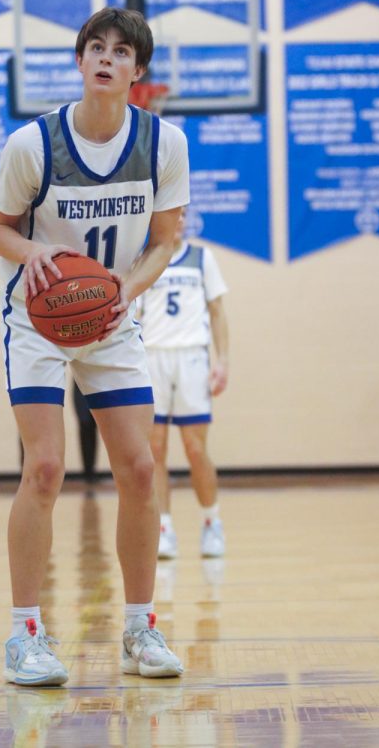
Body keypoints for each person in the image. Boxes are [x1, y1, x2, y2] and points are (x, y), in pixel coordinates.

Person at [0, 6, 190, 687]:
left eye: (121, 50)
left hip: (112, 318)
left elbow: (166, 239)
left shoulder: (163, 144)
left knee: (137, 468)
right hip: (37, 321)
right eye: (94, 47)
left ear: (138, 71)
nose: (106, 57)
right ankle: (25, 636)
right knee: (44, 469)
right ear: (80, 62)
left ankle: (139, 628)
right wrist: (34, 248)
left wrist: (125, 291)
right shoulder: (32, 147)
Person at [137, 210, 229, 559]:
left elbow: (218, 311)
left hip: (191, 358)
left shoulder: (203, 258)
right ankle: (164, 528)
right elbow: (135, 314)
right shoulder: (144, 259)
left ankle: (211, 523)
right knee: (155, 449)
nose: (179, 220)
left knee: (194, 448)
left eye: (183, 215)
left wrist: (223, 361)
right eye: (173, 214)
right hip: (153, 357)